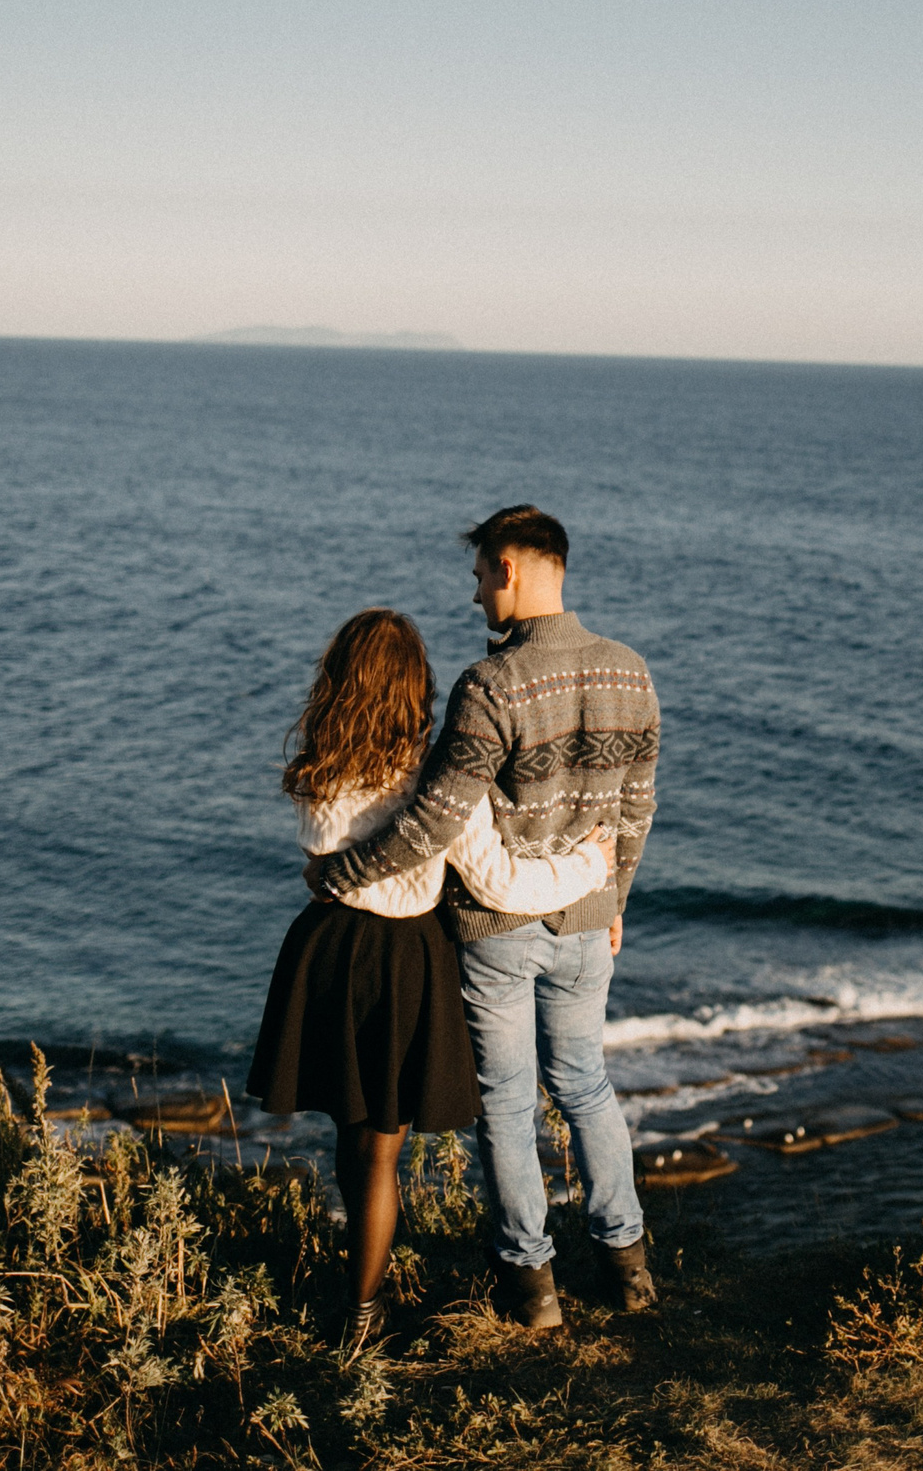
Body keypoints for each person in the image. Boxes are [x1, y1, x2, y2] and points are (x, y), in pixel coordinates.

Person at [307, 506, 661, 1329]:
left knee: (506, 1100)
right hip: (586, 922)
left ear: (508, 568)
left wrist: (342, 873)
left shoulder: (490, 684)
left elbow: (432, 823)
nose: (474, 598)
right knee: (585, 1083)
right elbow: (637, 807)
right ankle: (628, 1264)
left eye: (477, 579)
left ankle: (530, 1286)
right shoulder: (629, 671)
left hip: (496, 932)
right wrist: (617, 900)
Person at [247, 606, 615, 1350]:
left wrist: (329, 870)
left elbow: (322, 855)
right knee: (385, 1147)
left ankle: (360, 1286)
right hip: (400, 959)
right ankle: (363, 1312)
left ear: (339, 681)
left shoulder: (319, 762)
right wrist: (591, 866)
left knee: (352, 1138)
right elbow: (500, 882)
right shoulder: (437, 777)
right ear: (415, 685)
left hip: (326, 950)